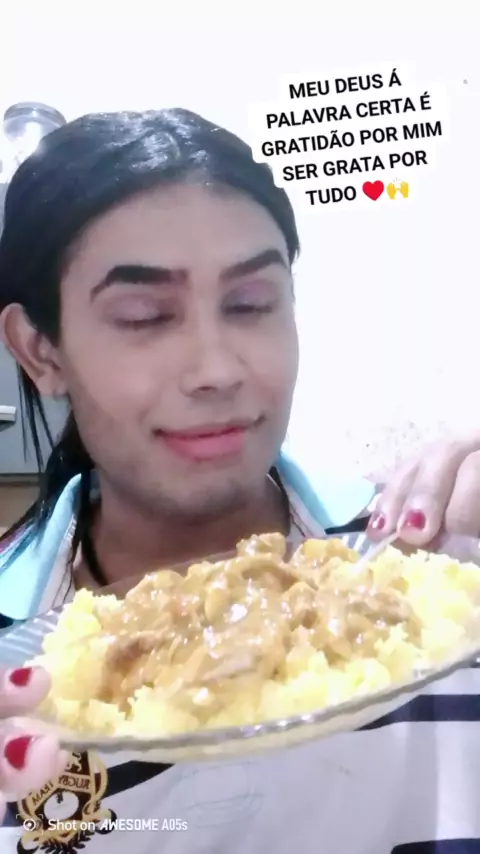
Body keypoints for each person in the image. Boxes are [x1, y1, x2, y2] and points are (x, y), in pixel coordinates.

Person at [0, 108, 479, 854]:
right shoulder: (17, 652)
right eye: (144, 316)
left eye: (252, 304)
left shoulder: (438, 578)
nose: (218, 369)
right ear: (39, 350)